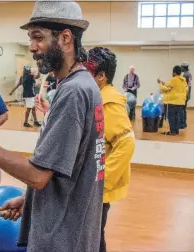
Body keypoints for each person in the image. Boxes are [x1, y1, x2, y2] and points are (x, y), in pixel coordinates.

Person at [0, 1, 105, 251]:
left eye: (38, 38)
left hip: (61, 237)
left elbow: (38, 175)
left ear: (65, 38)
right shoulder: (82, 84)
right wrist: (30, 201)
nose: (32, 47)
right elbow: (66, 169)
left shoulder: (74, 92)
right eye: (30, 38)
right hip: (72, 228)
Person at [84, 47, 136, 252]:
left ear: (101, 76)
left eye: (86, 71)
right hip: (86, 183)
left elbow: (126, 142)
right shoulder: (96, 96)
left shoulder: (109, 102)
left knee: (94, 238)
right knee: (90, 235)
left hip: (95, 188)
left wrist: (101, 181)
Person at [157, 65, 188, 136]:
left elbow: (165, 88)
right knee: (177, 117)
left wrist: (160, 84)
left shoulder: (174, 79)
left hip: (173, 101)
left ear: (174, 72)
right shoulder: (183, 80)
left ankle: (173, 132)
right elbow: (186, 89)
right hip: (181, 102)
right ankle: (176, 131)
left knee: (171, 117)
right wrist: (163, 83)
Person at [180, 62, 192, 129]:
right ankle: (184, 123)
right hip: (188, 94)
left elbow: (182, 85)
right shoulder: (189, 74)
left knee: (182, 110)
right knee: (184, 109)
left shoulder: (185, 75)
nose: (180, 68)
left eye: (181, 67)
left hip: (184, 94)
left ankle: (182, 124)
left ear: (183, 67)